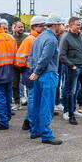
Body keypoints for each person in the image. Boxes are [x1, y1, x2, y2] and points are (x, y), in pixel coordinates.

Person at [28, 16, 62, 145]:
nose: (61, 27)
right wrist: (37, 72)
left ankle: (35, 130)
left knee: (37, 103)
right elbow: (45, 58)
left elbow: (32, 56)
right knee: (47, 105)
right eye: (60, 24)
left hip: (39, 74)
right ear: (55, 25)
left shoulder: (39, 37)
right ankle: (46, 134)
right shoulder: (51, 39)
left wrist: (35, 71)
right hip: (48, 74)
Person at [58, 17, 82, 125]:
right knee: (71, 92)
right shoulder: (66, 37)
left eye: (80, 24)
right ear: (71, 25)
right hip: (73, 69)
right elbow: (62, 55)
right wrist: (72, 66)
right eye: (77, 24)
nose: (79, 26)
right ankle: (71, 115)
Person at [16, 16, 46, 131]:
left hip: (33, 70)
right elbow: (20, 57)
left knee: (35, 98)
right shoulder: (30, 39)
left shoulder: (37, 38)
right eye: (41, 25)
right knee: (33, 98)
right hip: (30, 71)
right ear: (34, 27)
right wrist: (23, 68)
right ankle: (31, 122)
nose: (44, 27)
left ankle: (29, 121)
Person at [12, 20, 29, 106]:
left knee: (28, 83)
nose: (21, 28)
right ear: (14, 28)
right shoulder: (11, 38)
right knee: (15, 84)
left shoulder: (27, 38)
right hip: (15, 65)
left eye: (22, 27)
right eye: (19, 27)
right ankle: (17, 102)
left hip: (25, 64)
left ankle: (29, 100)